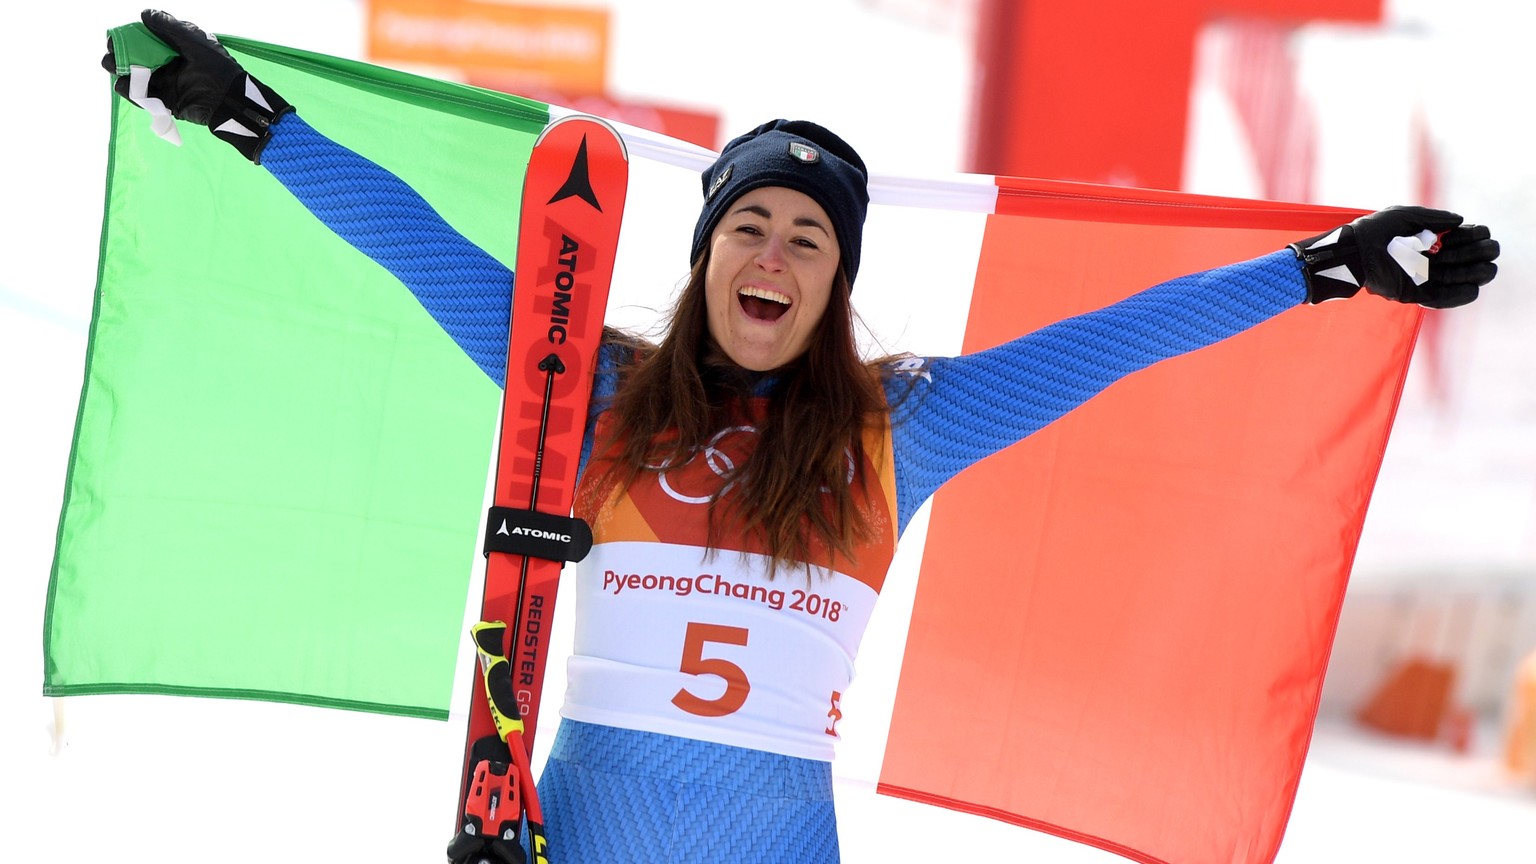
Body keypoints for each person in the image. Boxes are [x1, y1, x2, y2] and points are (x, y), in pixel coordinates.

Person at [103, 11, 1500, 864]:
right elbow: (423, 249)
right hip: (578, 835)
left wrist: (1324, 266)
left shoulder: (907, 425)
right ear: (711, 255)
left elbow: (1119, 341)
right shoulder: (592, 390)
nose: (773, 253)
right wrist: (247, 117)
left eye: (808, 238)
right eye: (749, 227)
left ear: (833, 283)